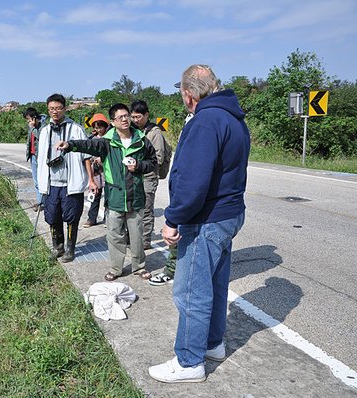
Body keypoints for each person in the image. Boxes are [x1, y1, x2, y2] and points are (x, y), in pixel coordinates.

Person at [148, 65, 250, 383]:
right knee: (215, 285)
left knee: (191, 291)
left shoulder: (206, 121)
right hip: (228, 214)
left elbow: (194, 182)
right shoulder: (233, 118)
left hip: (206, 218)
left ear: (189, 95)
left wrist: (173, 218)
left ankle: (190, 361)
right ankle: (212, 344)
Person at [55, 103, 158, 281]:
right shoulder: (106, 142)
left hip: (136, 197)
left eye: (127, 116)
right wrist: (70, 145)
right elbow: (87, 145)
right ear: (113, 121)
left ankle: (139, 267)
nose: (125, 120)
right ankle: (116, 268)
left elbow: (153, 161)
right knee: (115, 235)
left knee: (136, 235)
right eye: (120, 117)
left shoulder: (141, 140)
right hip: (115, 197)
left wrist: (139, 166)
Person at [36, 94, 95, 263]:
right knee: (52, 216)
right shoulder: (45, 131)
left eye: (58, 108)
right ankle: (58, 247)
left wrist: (90, 180)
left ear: (65, 108)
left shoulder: (75, 129)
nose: (55, 112)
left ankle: (70, 249)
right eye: (51, 109)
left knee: (71, 217)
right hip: (51, 183)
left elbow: (86, 156)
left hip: (71, 183)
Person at [148, 112, 194, 286]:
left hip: (188, 192)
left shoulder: (204, 120)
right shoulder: (191, 118)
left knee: (179, 234)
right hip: (181, 189)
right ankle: (176, 270)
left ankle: (175, 271)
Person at [130, 100, 166, 250]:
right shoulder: (132, 130)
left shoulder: (154, 132)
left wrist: (139, 164)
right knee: (132, 209)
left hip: (148, 176)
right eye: (133, 117)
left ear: (146, 115)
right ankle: (132, 238)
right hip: (133, 176)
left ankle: (145, 241)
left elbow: (159, 158)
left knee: (145, 210)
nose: (135, 120)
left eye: (139, 117)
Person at [83, 113, 110, 228]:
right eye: (96, 127)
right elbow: (87, 157)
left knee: (109, 197)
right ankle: (91, 218)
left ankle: (107, 219)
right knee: (95, 195)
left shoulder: (111, 138)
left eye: (100, 127)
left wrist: (103, 159)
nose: (98, 130)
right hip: (97, 172)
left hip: (108, 172)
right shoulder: (92, 140)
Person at [24, 107, 43, 211]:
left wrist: (32, 128)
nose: (28, 122)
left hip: (40, 157)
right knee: (36, 182)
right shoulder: (32, 127)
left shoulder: (42, 126)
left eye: (29, 119)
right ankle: (40, 202)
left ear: (34, 118)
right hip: (33, 156)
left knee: (42, 181)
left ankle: (42, 202)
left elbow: (40, 137)